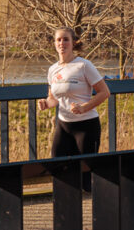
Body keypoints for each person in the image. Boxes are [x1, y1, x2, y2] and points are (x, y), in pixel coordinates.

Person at [38, 28, 110, 183]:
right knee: (58, 170)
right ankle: (65, 205)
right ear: (54, 43)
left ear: (73, 43)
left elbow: (104, 92)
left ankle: (90, 204)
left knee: (85, 177)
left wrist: (84, 107)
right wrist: (46, 103)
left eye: (65, 39)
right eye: (58, 40)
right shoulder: (52, 69)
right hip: (64, 126)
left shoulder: (83, 65)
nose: (61, 43)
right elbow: (53, 99)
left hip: (86, 127)